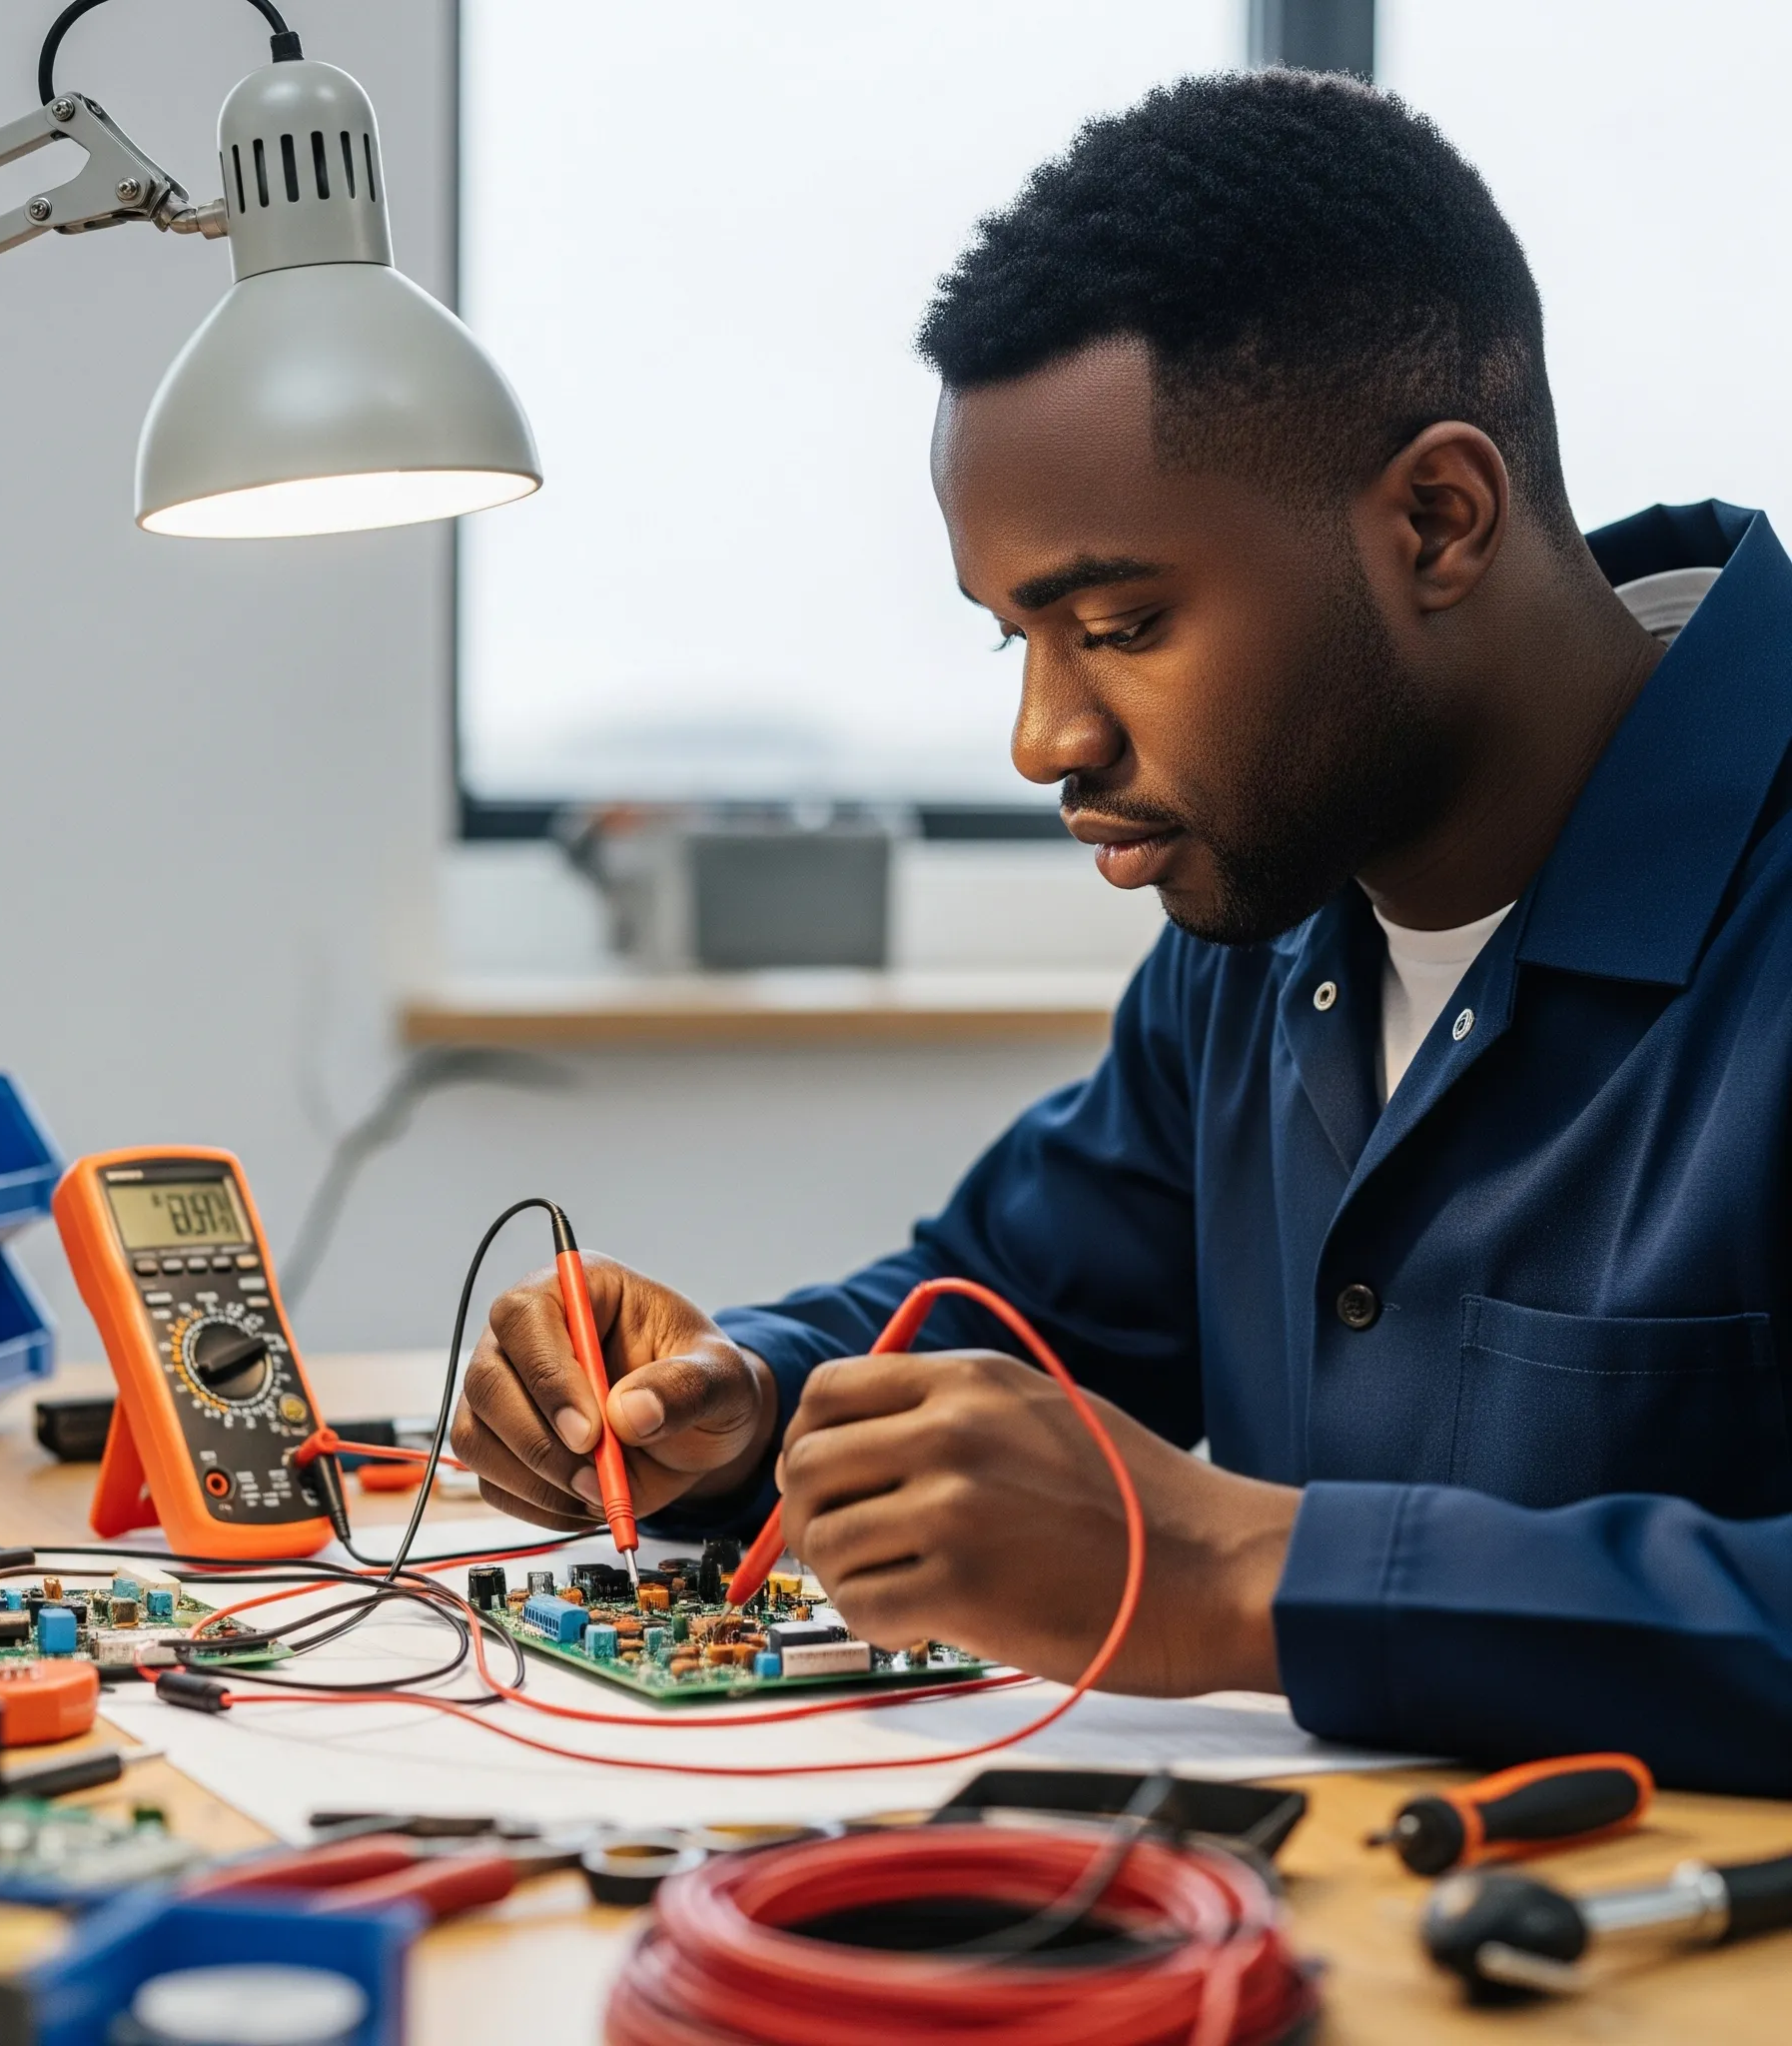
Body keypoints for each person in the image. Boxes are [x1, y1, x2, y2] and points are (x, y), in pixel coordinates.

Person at [449, 69, 1792, 1793]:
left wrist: (1241, 1570)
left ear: (1438, 522)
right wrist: (744, 1398)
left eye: (1125, 621)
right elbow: (1013, 1300)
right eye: (1014, 635)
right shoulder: (1264, 928)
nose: (1044, 742)